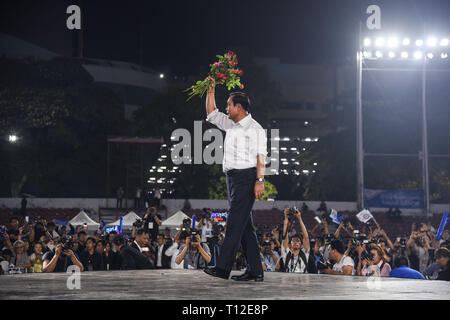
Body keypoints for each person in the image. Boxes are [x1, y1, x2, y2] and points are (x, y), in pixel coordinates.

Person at [203, 77, 267, 282]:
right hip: (232, 179)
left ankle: (222, 268)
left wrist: (259, 180)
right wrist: (211, 89)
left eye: (229, 105)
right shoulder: (231, 124)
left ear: (238, 107)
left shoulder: (255, 128)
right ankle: (256, 271)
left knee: (233, 224)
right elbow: (211, 113)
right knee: (245, 227)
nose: (226, 108)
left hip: (247, 179)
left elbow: (261, 157)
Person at [276, 208, 315, 273]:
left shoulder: (304, 254)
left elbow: (306, 238)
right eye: (293, 240)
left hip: (302, 282)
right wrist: (286, 218)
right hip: (288, 282)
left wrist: (299, 218)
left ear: (301, 245)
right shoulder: (286, 254)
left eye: (298, 241)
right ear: (289, 244)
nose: (295, 242)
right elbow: (284, 237)